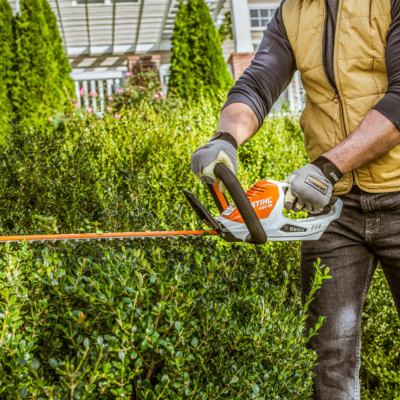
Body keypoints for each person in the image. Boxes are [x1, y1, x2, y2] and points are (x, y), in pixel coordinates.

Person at [190, 0, 400, 398]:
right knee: (328, 356)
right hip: (332, 210)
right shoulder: (293, 11)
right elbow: (256, 84)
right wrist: (226, 137)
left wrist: (328, 165)